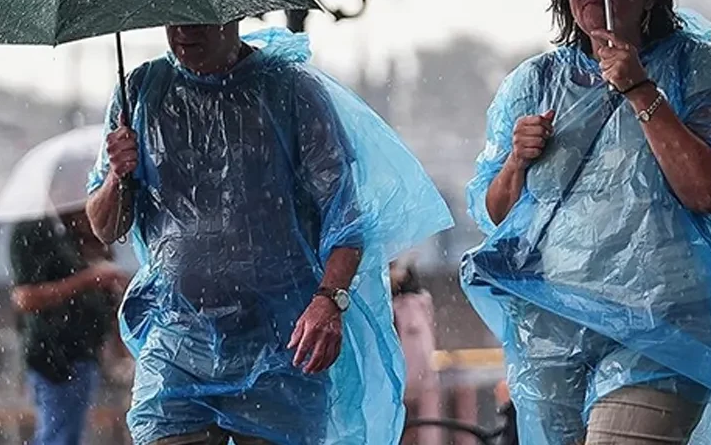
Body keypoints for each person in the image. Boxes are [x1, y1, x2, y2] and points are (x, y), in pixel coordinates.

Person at [461, 0, 711, 444]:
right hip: (552, 326)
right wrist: (515, 163)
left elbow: (709, 190)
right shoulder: (536, 82)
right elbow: (499, 214)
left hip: (662, 324)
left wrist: (641, 90)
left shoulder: (698, 68)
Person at [86, 22, 451, 445]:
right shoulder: (141, 92)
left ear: (232, 15)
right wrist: (118, 175)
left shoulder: (291, 93)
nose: (183, 31)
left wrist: (328, 300)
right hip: (177, 343)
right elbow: (106, 226)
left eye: (198, 19)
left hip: (281, 345)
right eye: (174, 19)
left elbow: (345, 220)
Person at [10, 201, 127, 445]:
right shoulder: (36, 230)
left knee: (68, 432)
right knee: (60, 434)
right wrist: (88, 279)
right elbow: (25, 297)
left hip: (83, 352)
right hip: (56, 356)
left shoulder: (73, 236)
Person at [390, 258, 440, 445]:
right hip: (410, 380)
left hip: (413, 380)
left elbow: (420, 347)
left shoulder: (411, 305)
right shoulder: (409, 305)